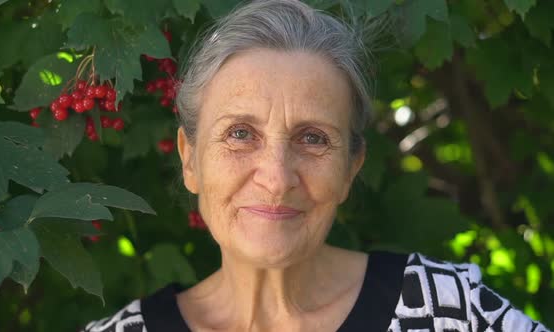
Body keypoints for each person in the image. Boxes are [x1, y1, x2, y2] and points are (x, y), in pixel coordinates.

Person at [81, 0, 551, 331]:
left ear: (351, 167)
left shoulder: (447, 312)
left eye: (312, 138)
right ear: (190, 159)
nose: (277, 178)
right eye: (240, 134)